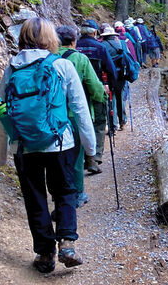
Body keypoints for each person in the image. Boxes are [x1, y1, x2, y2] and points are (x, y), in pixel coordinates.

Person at [0, 17, 96, 273]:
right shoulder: (61, 65)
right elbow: (80, 109)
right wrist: (90, 147)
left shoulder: (13, 67)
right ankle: (67, 242)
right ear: (52, 39)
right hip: (60, 142)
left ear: (22, 38)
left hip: (24, 146)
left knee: (34, 197)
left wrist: (0, 155)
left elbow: (0, 110)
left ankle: (45, 253)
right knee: (64, 191)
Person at [55, 25, 106, 207]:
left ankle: (59, 194)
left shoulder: (48, 59)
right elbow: (94, 86)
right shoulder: (79, 59)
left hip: (52, 116)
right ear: (74, 41)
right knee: (76, 157)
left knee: (57, 156)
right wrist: (103, 96)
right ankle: (77, 193)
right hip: (73, 115)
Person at [75, 19, 117, 173]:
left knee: (80, 122)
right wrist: (110, 86)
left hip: (76, 91)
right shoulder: (100, 47)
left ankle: (82, 156)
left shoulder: (74, 47)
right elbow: (111, 70)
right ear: (94, 32)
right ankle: (96, 156)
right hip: (97, 90)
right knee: (99, 122)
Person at [100, 24, 128, 131]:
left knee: (111, 100)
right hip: (121, 75)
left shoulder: (102, 45)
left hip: (108, 76)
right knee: (120, 97)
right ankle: (123, 120)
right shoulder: (121, 44)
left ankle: (113, 125)